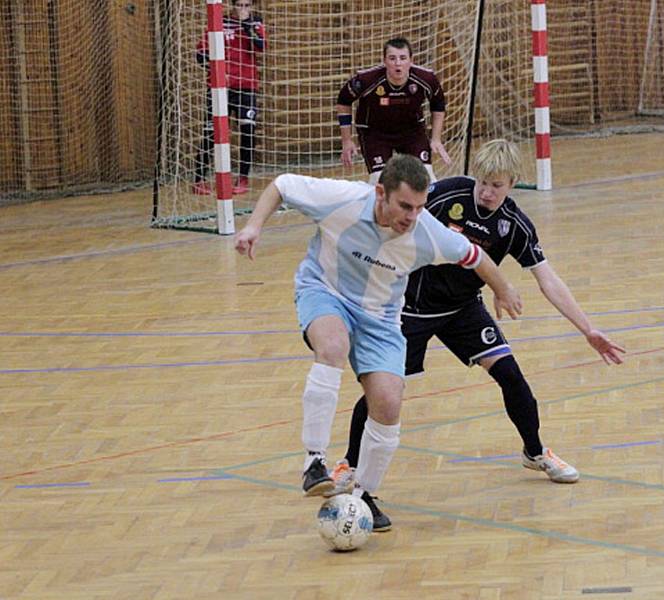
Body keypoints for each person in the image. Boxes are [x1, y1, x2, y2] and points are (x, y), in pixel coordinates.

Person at [329, 140, 626, 531]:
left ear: (513, 184)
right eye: (483, 182)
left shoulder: (513, 224)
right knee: (383, 391)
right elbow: (389, 215)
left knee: (510, 375)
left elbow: (547, 279)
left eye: (497, 186)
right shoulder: (443, 194)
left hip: (464, 310)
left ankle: (535, 453)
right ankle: (349, 464)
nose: (487, 192)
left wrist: (588, 329)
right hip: (410, 309)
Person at [233, 154, 523, 528]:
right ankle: (314, 461)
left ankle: (361, 496)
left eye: (419, 207)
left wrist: (503, 288)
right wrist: (254, 226)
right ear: (380, 193)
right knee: (333, 346)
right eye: (404, 205)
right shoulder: (344, 199)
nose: (412, 216)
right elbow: (282, 184)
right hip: (325, 290)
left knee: (387, 402)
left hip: (381, 318)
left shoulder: (425, 232)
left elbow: (474, 255)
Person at [336, 37, 451, 186]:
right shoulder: (366, 80)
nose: (398, 63)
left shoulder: (426, 78)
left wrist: (436, 139)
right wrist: (346, 140)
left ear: (411, 60)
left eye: (403, 58)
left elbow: (438, 104)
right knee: (380, 182)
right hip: (375, 134)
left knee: (425, 179)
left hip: (412, 132)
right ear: (384, 61)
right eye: (392, 58)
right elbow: (343, 101)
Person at [193, 0, 266, 196]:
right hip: (219, 89)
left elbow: (260, 46)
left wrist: (245, 23)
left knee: (247, 131)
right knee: (212, 132)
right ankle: (199, 179)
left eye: (247, 5)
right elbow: (200, 55)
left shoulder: (256, 23)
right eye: (239, 5)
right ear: (231, 5)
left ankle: (242, 178)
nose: (243, 9)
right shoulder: (219, 23)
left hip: (246, 87)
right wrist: (216, 71)